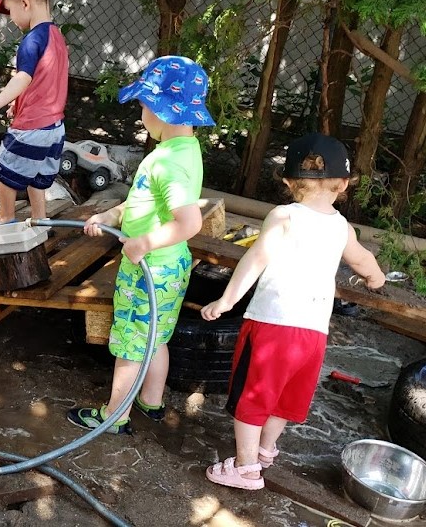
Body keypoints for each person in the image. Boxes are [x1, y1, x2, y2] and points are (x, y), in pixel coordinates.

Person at [199, 132, 386, 490]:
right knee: (284, 398)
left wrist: (227, 300)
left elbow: (256, 257)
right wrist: (376, 280)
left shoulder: (283, 215)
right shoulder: (342, 227)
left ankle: (246, 468)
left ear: (288, 181)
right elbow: (364, 261)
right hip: (313, 334)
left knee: (252, 398)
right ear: (344, 183)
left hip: (272, 327)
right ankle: (266, 450)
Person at [66, 56, 216, 435]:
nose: (141, 113)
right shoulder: (185, 151)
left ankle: (113, 417)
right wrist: (110, 217)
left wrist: (144, 243)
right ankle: (151, 401)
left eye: (144, 105)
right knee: (155, 338)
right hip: (172, 266)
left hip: (151, 268)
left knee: (131, 345)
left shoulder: (167, 163)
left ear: (164, 109)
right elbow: (144, 203)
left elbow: (189, 222)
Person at [0, 0, 68, 227]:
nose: (11, 19)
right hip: (55, 127)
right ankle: (40, 219)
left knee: (4, 169)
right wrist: (17, 103)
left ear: (25, 3)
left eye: (10, 11)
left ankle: (6, 217)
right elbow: (45, 81)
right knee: (37, 176)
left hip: (31, 126)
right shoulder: (56, 36)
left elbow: (23, 78)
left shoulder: (31, 40)